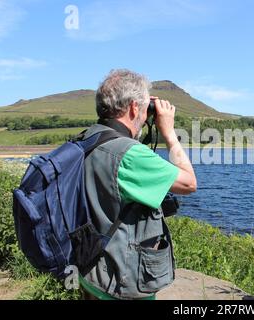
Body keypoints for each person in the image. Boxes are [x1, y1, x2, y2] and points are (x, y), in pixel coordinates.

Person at [79, 69, 197, 300]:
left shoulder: (88, 138)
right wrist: (169, 133)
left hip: (91, 271)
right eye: (143, 109)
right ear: (134, 108)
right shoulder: (131, 155)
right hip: (121, 281)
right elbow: (189, 183)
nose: (145, 115)